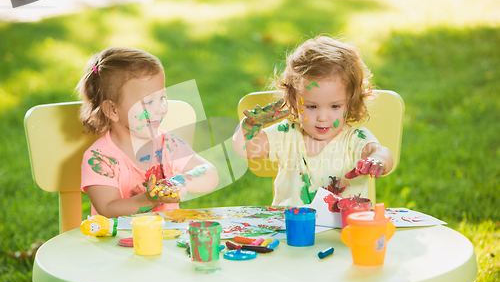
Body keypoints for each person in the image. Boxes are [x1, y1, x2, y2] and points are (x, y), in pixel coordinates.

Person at [233, 36, 393, 206]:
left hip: (344, 229)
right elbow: (245, 149)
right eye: (312, 107)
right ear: (294, 100)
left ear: (350, 102)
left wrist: (377, 160)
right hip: (292, 228)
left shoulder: (355, 139)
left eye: (335, 106)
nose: (323, 117)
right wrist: (250, 125)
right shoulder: (286, 134)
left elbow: (382, 153)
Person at [77, 47, 218, 218]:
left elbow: (210, 173)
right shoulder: (99, 159)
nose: (161, 108)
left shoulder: (167, 144)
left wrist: (177, 182)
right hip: (116, 242)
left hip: (168, 239)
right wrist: (149, 199)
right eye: (149, 101)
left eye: (162, 98)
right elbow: (107, 208)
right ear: (112, 110)